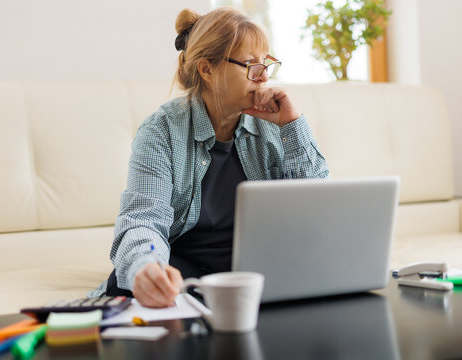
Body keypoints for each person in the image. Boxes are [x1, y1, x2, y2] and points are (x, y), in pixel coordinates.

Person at [88, 7, 329, 307]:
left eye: (266, 63)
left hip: (255, 273)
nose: (263, 75)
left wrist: (293, 126)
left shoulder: (275, 124)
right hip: (185, 271)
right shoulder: (161, 131)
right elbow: (144, 221)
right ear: (208, 70)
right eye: (251, 64)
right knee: (133, 286)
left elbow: (316, 212)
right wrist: (147, 267)